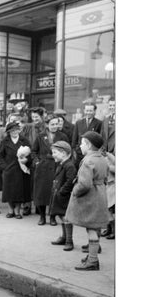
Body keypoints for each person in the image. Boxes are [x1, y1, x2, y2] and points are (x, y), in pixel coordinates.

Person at [65, 131, 110, 271]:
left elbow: (84, 184)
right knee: (95, 227)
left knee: (91, 228)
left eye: (82, 143)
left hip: (90, 198)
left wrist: (75, 191)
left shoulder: (88, 161)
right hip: (101, 194)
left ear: (89, 145)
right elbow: (106, 177)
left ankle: (92, 260)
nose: (80, 146)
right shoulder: (102, 159)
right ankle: (92, 256)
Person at [32, 114, 69, 226]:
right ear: (47, 125)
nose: (55, 126)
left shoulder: (63, 136)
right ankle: (42, 217)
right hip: (43, 167)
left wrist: (63, 163)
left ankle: (52, 216)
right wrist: (37, 162)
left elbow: (68, 151)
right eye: (52, 124)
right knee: (41, 193)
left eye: (56, 124)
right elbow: (34, 152)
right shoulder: (40, 136)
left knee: (54, 192)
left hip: (57, 167)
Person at [0, 121, 32, 219]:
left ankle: (17, 210)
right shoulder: (5, 141)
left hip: (21, 169)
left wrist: (26, 161)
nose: (14, 132)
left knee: (19, 191)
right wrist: (4, 167)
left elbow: (30, 154)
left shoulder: (24, 140)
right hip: (9, 169)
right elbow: (0, 156)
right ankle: (10, 210)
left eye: (16, 130)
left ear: (19, 130)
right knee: (9, 191)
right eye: (12, 130)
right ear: (8, 131)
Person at [49, 141, 77, 251]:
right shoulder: (62, 164)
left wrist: (61, 191)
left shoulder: (69, 166)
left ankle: (69, 241)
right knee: (61, 216)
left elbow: (70, 181)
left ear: (63, 153)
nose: (53, 155)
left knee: (66, 218)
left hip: (64, 196)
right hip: (59, 195)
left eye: (55, 152)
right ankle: (64, 237)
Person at [71, 102, 102, 167]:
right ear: (84, 111)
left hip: (92, 153)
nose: (88, 112)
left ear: (94, 111)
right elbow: (74, 139)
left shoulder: (99, 123)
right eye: (87, 110)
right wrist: (76, 150)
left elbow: (100, 139)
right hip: (79, 154)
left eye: (90, 111)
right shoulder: (78, 123)